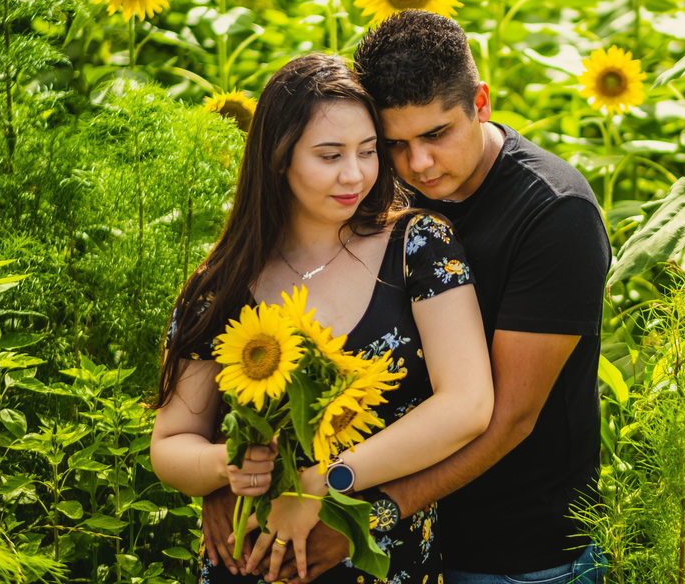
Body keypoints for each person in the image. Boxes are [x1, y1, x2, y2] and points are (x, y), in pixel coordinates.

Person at [204, 10, 612, 583]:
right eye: (394, 143)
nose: (418, 163)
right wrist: (230, 485)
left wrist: (358, 517)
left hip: (515, 550)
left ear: (480, 103)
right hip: (405, 534)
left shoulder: (554, 214)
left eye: (437, 134)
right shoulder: (375, 182)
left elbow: (509, 418)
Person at [151, 53, 493, 584]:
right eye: (330, 155)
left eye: (368, 151)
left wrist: (322, 484)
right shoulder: (222, 284)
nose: (354, 174)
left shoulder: (418, 245)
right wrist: (230, 467)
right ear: (278, 159)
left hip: (383, 562)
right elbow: (171, 443)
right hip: (249, 566)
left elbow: (467, 405)